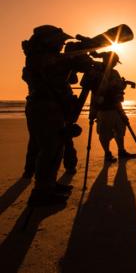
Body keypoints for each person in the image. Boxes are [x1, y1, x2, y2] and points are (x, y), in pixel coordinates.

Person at [21, 25, 94, 206]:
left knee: (56, 149)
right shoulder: (39, 58)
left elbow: (73, 75)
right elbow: (57, 66)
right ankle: (42, 192)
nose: (62, 44)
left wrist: (77, 55)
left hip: (53, 108)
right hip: (44, 109)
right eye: (60, 41)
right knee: (49, 151)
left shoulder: (50, 57)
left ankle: (50, 185)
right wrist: (75, 54)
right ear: (48, 41)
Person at [91, 52, 136, 162]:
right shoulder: (97, 72)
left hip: (117, 106)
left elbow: (119, 87)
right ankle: (107, 153)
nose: (115, 64)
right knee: (104, 133)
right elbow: (98, 89)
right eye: (115, 61)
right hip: (104, 108)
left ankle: (121, 151)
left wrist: (122, 85)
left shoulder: (115, 72)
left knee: (120, 130)